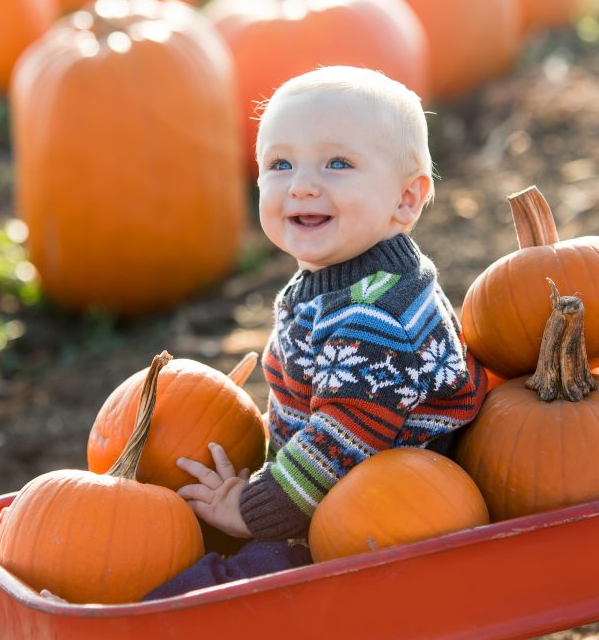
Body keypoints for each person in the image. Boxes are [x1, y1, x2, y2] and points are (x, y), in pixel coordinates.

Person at [144, 65, 487, 599]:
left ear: (406, 199)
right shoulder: (338, 282)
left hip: (362, 521)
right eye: (280, 163)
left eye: (338, 163)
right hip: (320, 488)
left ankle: (130, 620)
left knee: (222, 593)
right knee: (170, 531)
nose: (302, 185)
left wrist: (253, 509)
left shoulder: (379, 313)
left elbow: (344, 437)